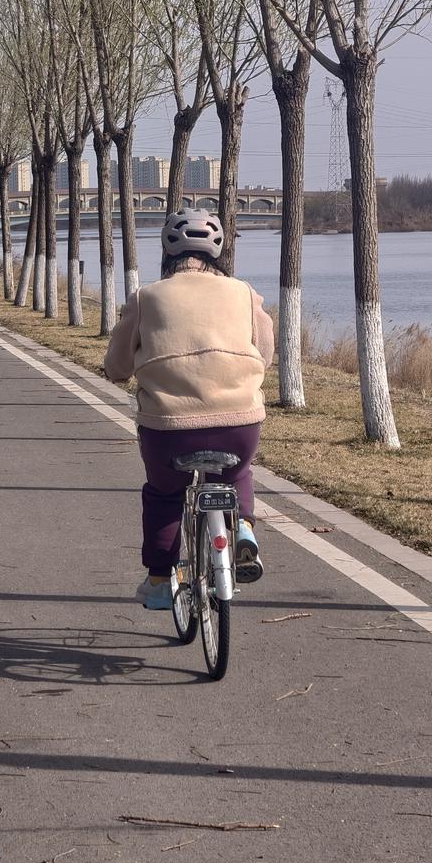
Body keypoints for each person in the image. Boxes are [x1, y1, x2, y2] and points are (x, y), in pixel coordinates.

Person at [102, 208, 275, 611]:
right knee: (237, 473)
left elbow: (118, 363)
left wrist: (115, 372)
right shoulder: (244, 293)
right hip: (239, 422)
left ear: (167, 251)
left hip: (168, 427)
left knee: (164, 494)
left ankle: (161, 581)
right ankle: (245, 528)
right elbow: (264, 352)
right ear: (217, 252)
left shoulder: (146, 297)